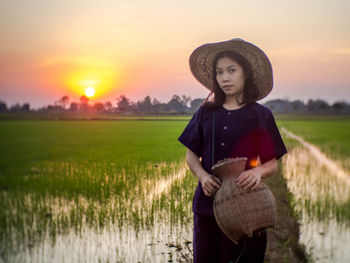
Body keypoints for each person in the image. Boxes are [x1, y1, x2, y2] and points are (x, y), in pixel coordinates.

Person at [178, 38, 287, 263]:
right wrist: (203, 176)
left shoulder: (261, 115)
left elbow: (271, 163)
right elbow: (191, 155)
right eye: (219, 72)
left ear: (245, 73)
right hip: (207, 207)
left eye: (231, 70)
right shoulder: (205, 113)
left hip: (248, 207)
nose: (225, 78)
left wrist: (257, 173)